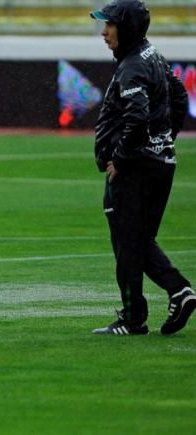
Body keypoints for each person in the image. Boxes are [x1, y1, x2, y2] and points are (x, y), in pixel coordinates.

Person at [90, 0, 194, 335]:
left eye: (110, 25)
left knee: (127, 241)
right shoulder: (153, 56)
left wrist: (121, 158)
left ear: (128, 28)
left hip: (135, 169)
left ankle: (137, 316)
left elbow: (136, 117)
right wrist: (164, 139)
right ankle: (175, 295)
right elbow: (179, 98)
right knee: (138, 239)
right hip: (161, 163)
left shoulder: (133, 65)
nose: (104, 32)